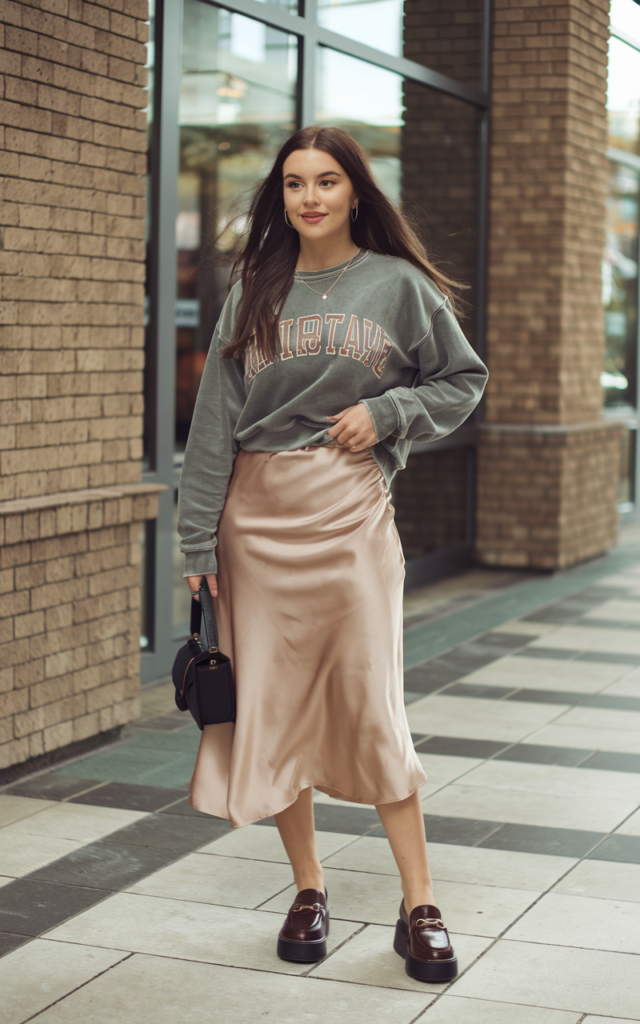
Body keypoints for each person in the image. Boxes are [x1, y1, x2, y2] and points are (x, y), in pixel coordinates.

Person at [177, 125, 488, 983]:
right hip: (256, 519)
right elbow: (213, 425)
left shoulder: (398, 285)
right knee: (273, 710)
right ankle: (309, 888)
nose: (309, 197)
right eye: (292, 184)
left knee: (371, 706)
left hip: (348, 515)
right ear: (280, 198)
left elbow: (462, 381)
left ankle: (418, 903)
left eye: (326, 180)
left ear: (355, 191)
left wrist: (387, 416)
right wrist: (195, 537)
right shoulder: (254, 288)